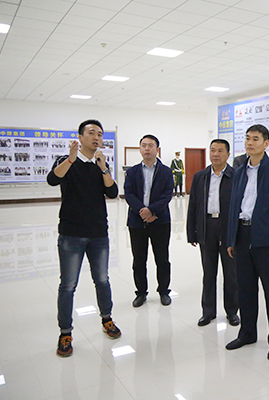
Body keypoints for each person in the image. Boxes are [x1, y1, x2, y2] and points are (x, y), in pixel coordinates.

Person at [47, 119, 121, 357]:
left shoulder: (100, 164)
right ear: (80, 137)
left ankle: (107, 319)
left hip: (98, 234)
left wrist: (104, 168)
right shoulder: (66, 160)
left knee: (102, 280)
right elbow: (52, 179)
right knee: (68, 285)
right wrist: (70, 159)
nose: (96, 137)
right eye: (91, 133)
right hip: (71, 234)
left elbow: (112, 192)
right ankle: (65, 332)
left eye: (99, 133)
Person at [224, 124, 269, 361]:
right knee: (245, 289)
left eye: (255, 139)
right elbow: (234, 205)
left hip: (266, 240)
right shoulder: (239, 171)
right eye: (247, 139)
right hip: (242, 236)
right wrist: (231, 238)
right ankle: (247, 333)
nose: (249, 143)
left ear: (266, 143)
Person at [187, 139, 239, 327]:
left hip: (227, 228)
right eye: (212, 150)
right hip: (207, 226)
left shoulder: (236, 176)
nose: (215, 154)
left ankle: (232, 311)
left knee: (231, 273)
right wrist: (191, 232)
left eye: (220, 151)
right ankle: (208, 312)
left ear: (228, 154)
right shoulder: (200, 176)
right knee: (208, 273)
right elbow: (193, 205)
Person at [124, 135, 174, 307]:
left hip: (160, 221)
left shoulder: (166, 171)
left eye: (150, 145)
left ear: (157, 149)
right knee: (139, 259)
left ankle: (164, 291)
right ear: (140, 149)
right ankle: (141, 292)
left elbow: (167, 195)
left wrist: (151, 211)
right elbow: (129, 194)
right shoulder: (132, 172)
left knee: (162, 258)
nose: (147, 148)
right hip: (136, 222)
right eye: (144, 145)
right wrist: (142, 212)